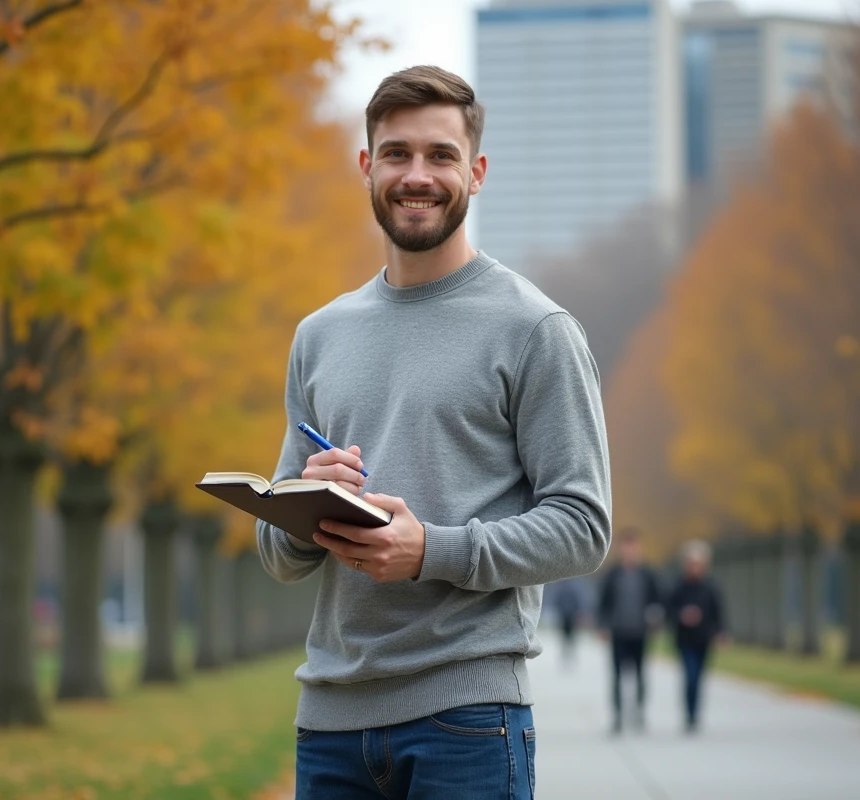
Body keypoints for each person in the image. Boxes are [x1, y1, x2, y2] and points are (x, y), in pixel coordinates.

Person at [255, 65, 612, 799]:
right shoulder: (318, 336)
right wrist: (301, 504)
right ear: (367, 167)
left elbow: (583, 525)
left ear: (476, 173)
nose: (418, 175)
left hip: (469, 722)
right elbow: (279, 556)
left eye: (441, 155)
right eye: (397, 153)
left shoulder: (535, 330)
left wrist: (432, 551)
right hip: (328, 724)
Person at [595, 528, 662, 734]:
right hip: (618, 633)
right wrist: (603, 626)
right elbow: (603, 603)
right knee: (616, 676)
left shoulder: (647, 574)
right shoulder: (612, 575)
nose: (629, 551)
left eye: (633, 546)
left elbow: (657, 600)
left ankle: (639, 710)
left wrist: (655, 617)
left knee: (641, 675)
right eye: (626, 547)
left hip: (640, 633)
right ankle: (617, 715)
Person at [667, 540, 727, 734]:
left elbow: (718, 612)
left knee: (699, 677)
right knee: (690, 676)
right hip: (684, 639)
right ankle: (690, 714)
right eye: (691, 563)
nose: (694, 567)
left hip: (704, 638)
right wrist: (682, 615)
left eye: (698, 563)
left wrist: (722, 632)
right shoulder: (678, 586)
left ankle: (695, 712)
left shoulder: (710, 587)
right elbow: (669, 610)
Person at [549, 578, 585, 667]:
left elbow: (556, 601)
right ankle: (569, 653)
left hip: (565, 615)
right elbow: (578, 601)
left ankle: (567, 653)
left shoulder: (561, 587)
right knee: (570, 636)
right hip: (570, 615)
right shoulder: (574, 587)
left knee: (566, 636)